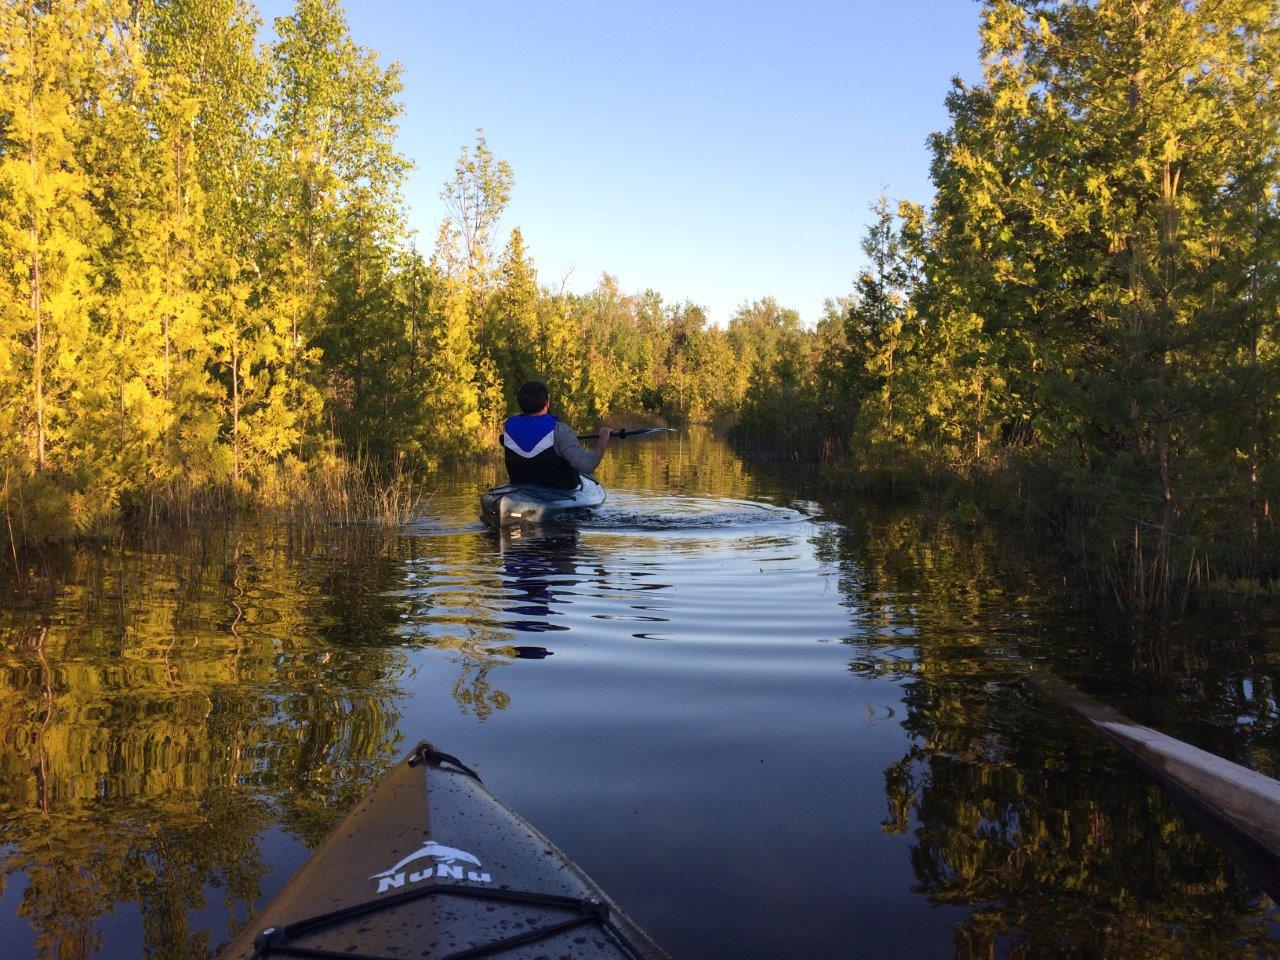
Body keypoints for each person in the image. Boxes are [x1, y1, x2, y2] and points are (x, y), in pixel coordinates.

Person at [501, 380, 611, 489]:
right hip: (557, 490)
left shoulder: (509, 427)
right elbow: (588, 465)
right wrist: (603, 438)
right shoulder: (559, 430)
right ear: (547, 402)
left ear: (520, 403)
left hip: (519, 488)